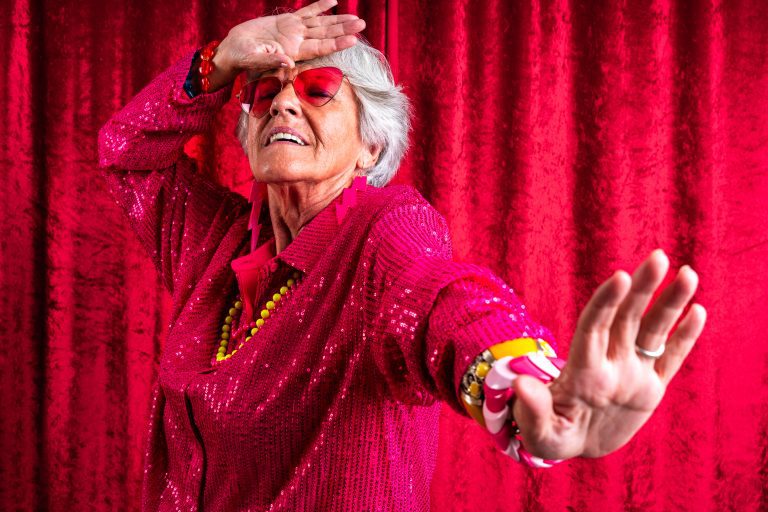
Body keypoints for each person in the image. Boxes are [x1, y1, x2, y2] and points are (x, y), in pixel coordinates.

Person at [97, 0, 707, 509]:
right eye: (262, 93)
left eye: (318, 90)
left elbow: (443, 300)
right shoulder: (213, 242)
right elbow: (124, 151)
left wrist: (530, 390)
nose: (282, 104)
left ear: (371, 146)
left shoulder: (384, 230)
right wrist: (222, 60)